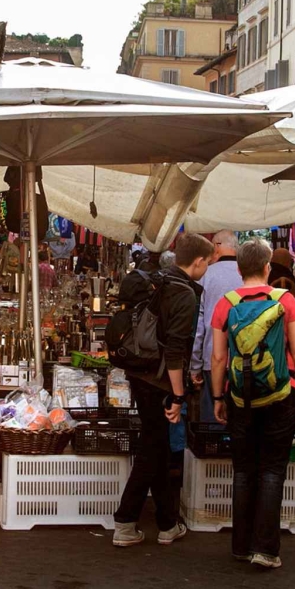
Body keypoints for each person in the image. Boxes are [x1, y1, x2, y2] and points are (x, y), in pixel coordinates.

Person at [210, 239, 295, 569]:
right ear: (268, 267)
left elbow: (218, 357)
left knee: (243, 470)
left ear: (239, 269)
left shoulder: (225, 304)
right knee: (272, 470)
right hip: (282, 395)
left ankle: (240, 545)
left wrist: (217, 396)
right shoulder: (286, 301)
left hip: (240, 396)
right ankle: (265, 549)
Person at [113, 233, 213, 548]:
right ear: (198, 262)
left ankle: (167, 523)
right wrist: (178, 394)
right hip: (158, 380)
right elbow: (174, 349)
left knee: (155, 447)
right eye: (208, 262)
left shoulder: (161, 280)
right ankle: (125, 521)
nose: (207, 267)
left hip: (141, 373)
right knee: (151, 450)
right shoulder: (184, 294)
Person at [190, 231, 243, 425]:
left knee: (213, 420)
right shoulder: (248, 274)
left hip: (212, 358)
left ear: (217, 247)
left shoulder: (205, 275)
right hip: (248, 359)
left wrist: (194, 365)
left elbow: (198, 326)